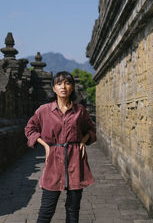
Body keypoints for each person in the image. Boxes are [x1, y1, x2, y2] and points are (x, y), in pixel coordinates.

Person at [25, 71, 96, 223]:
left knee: (73, 210)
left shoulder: (80, 111)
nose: (63, 87)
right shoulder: (44, 110)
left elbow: (91, 129)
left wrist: (83, 141)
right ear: (53, 88)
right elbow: (30, 129)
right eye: (59, 83)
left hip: (75, 161)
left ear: (72, 87)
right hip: (53, 162)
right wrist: (45, 145)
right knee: (46, 210)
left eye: (67, 83)